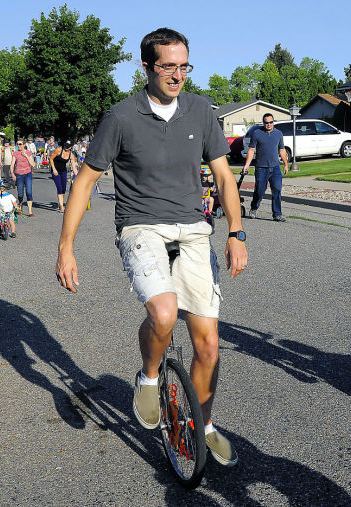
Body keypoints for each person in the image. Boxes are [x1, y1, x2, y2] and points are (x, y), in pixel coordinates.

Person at [55, 27, 248, 467]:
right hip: (141, 227)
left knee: (209, 345)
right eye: (168, 67)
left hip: (194, 229)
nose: (178, 75)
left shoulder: (201, 111)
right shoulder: (120, 118)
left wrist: (236, 233)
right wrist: (66, 247)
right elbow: (84, 184)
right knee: (163, 314)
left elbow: (223, 177)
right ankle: (149, 375)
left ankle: (205, 424)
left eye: (184, 66)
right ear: (146, 67)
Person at [242, 113, 289, 222]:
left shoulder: (278, 134)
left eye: (271, 122)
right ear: (263, 123)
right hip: (261, 168)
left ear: (273, 122)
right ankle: (254, 208)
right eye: (266, 123)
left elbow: (282, 150)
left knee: (277, 190)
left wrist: (286, 164)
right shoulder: (257, 133)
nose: (268, 124)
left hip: (275, 168)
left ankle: (277, 214)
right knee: (259, 191)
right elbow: (251, 150)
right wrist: (247, 165)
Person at [50, 140, 78, 213]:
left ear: (71, 147)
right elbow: (51, 158)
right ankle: (61, 207)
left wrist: (78, 176)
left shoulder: (71, 155)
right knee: (59, 187)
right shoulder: (59, 150)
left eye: (68, 147)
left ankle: (60, 202)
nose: (66, 147)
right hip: (55, 171)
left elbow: (74, 167)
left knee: (63, 189)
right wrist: (53, 169)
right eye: (65, 146)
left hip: (63, 171)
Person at [11, 140, 36, 216]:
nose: (18, 146)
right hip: (19, 175)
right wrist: (12, 174)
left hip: (28, 174)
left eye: (20, 144)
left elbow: (33, 164)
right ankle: (20, 206)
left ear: (24, 144)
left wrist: (26, 156)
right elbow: (12, 165)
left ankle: (30, 211)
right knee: (20, 194)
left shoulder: (28, 152)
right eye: (17, 144)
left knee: (29, 192)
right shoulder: (15, 153)